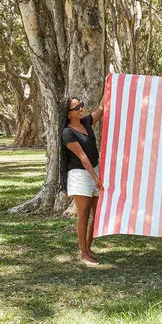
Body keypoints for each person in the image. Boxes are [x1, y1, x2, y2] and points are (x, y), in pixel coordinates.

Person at [60, 95, 104, 267]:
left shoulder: (86, 123)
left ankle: (89, 248)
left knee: (96, 213)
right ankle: (84, 253)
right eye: (76, 107)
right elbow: (82, 156)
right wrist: (95, 177)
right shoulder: (67, 132)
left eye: (81, 106)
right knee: (84, 214)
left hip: (94, 171)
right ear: (69, 113)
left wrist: (110, 83)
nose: (81, 109)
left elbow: (102, 108)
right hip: (80, 174)